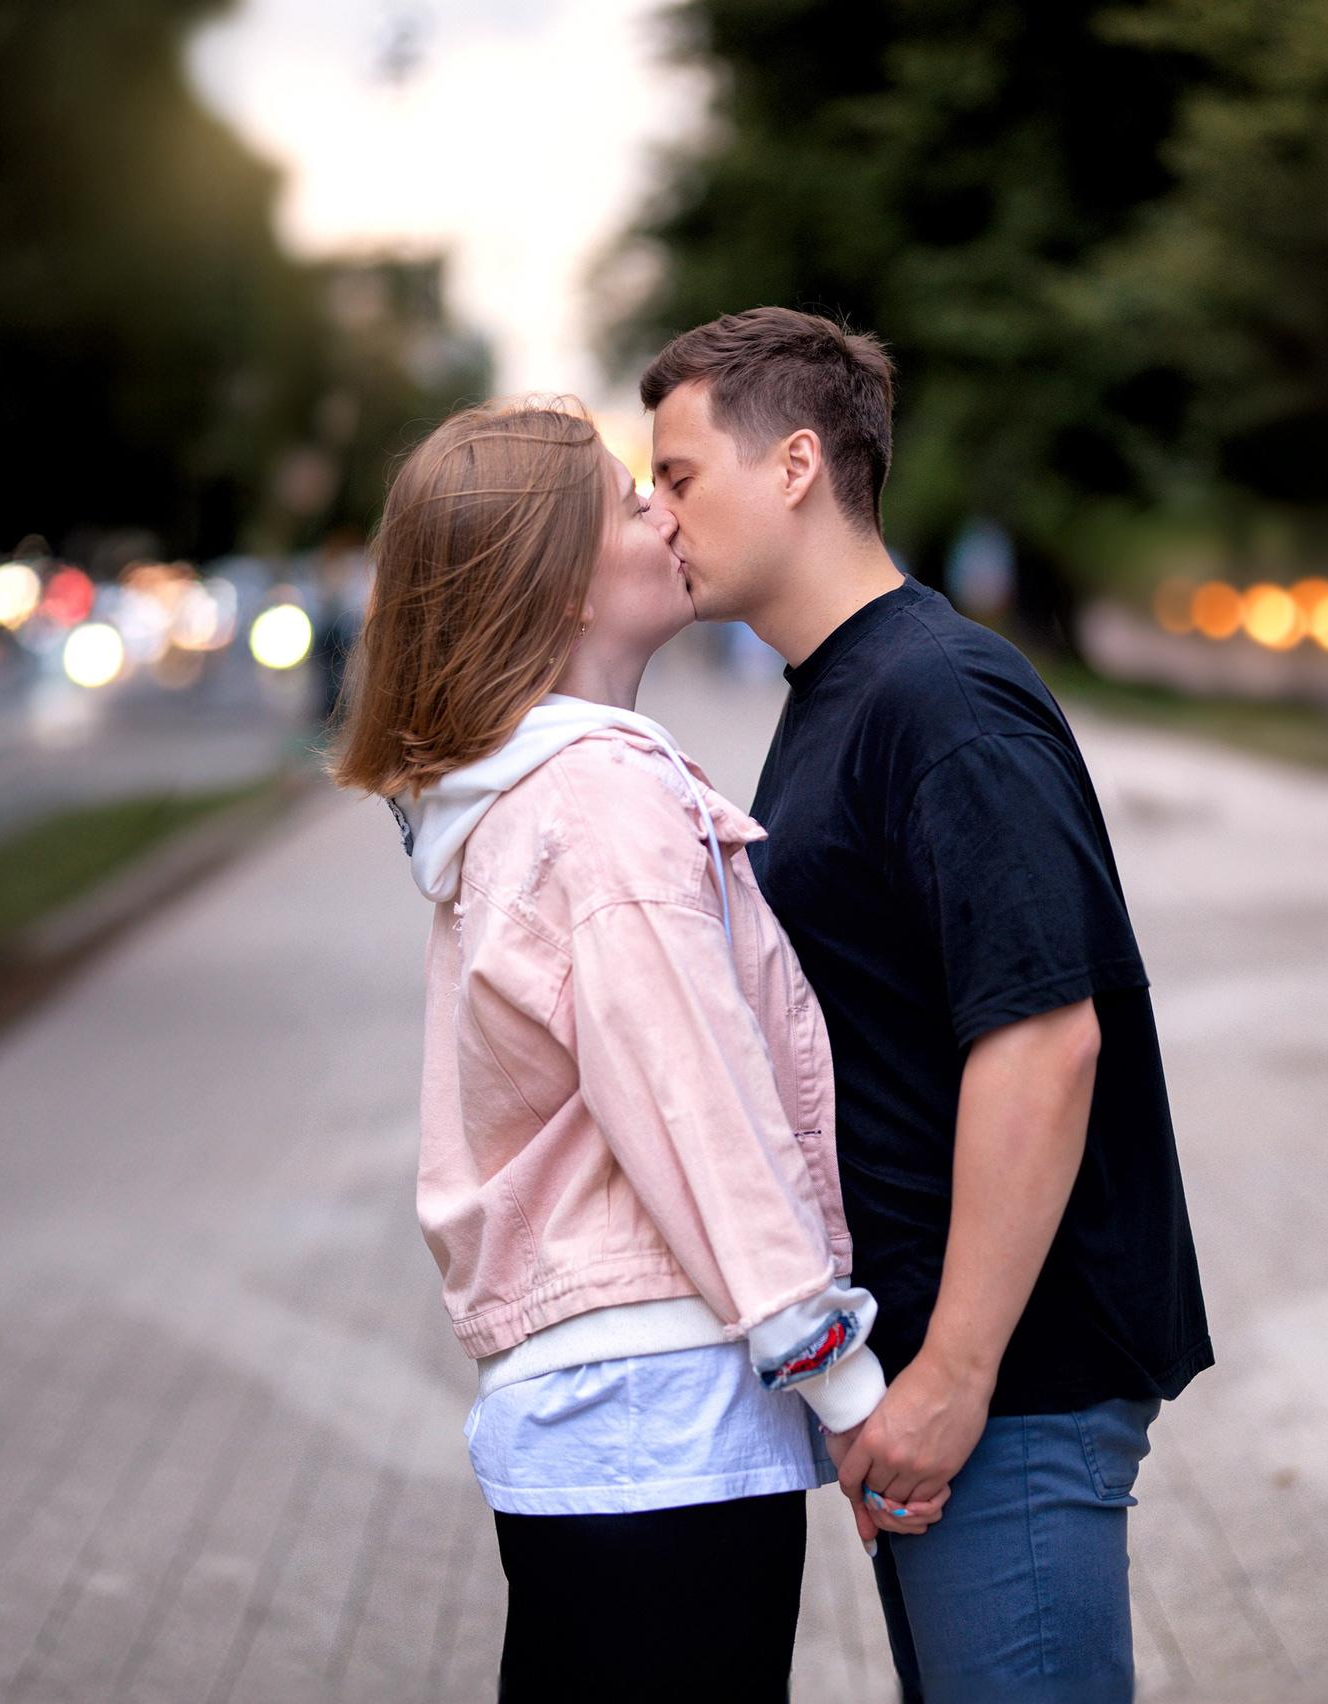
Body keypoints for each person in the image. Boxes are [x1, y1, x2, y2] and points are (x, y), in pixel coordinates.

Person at [641, 310, 1214, 1704]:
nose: (657, 517)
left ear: (792, 466)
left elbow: (1043, 1036)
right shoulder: (839, 693)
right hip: (940, 1394)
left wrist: (953, 1374)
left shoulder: (941, 697)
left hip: (1015, 1389)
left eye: (676, 476)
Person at [331, 398, 939, 1702]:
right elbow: (698, 1109)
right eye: (624, 501)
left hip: (599, 1413)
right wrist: (846, 1388)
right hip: (660, 1416)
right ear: (555, 585)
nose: (661, 509)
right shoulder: (601, 802)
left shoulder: (535, 797)